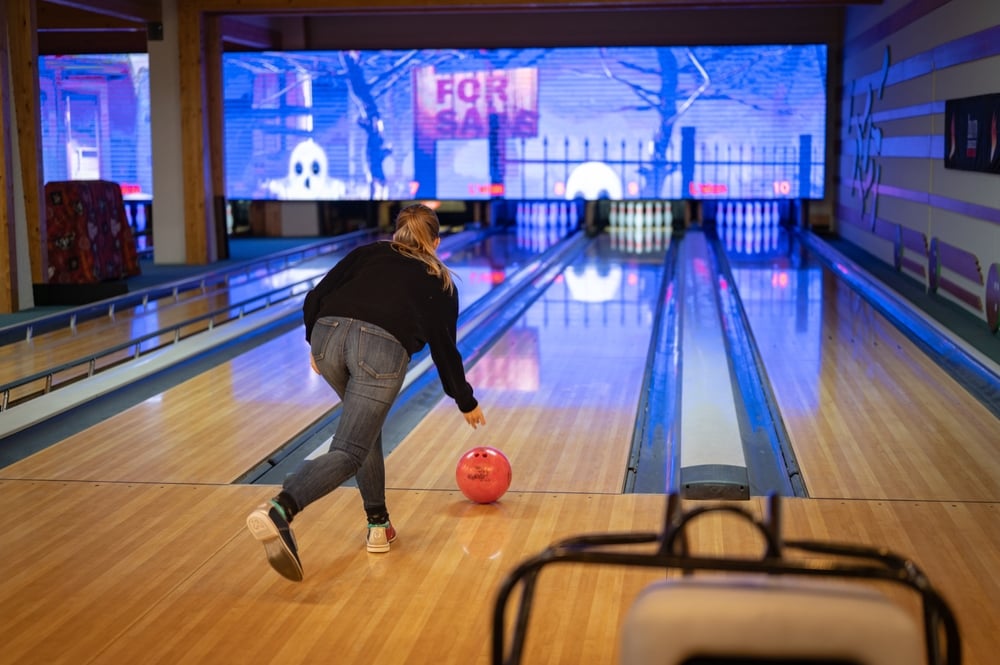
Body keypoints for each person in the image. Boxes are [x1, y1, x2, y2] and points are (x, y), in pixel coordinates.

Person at [246, 203, 486, 582]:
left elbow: (315, 296)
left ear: (396, 234)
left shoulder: (367, 253)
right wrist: (465, 400)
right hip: (380, 351)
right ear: (436, 242)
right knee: (349, 451)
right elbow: (444, 349)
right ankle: (282, 507)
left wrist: (315, 341)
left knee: (363, 429)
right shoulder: (439, 280)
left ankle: (378, 523)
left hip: (328, 339)